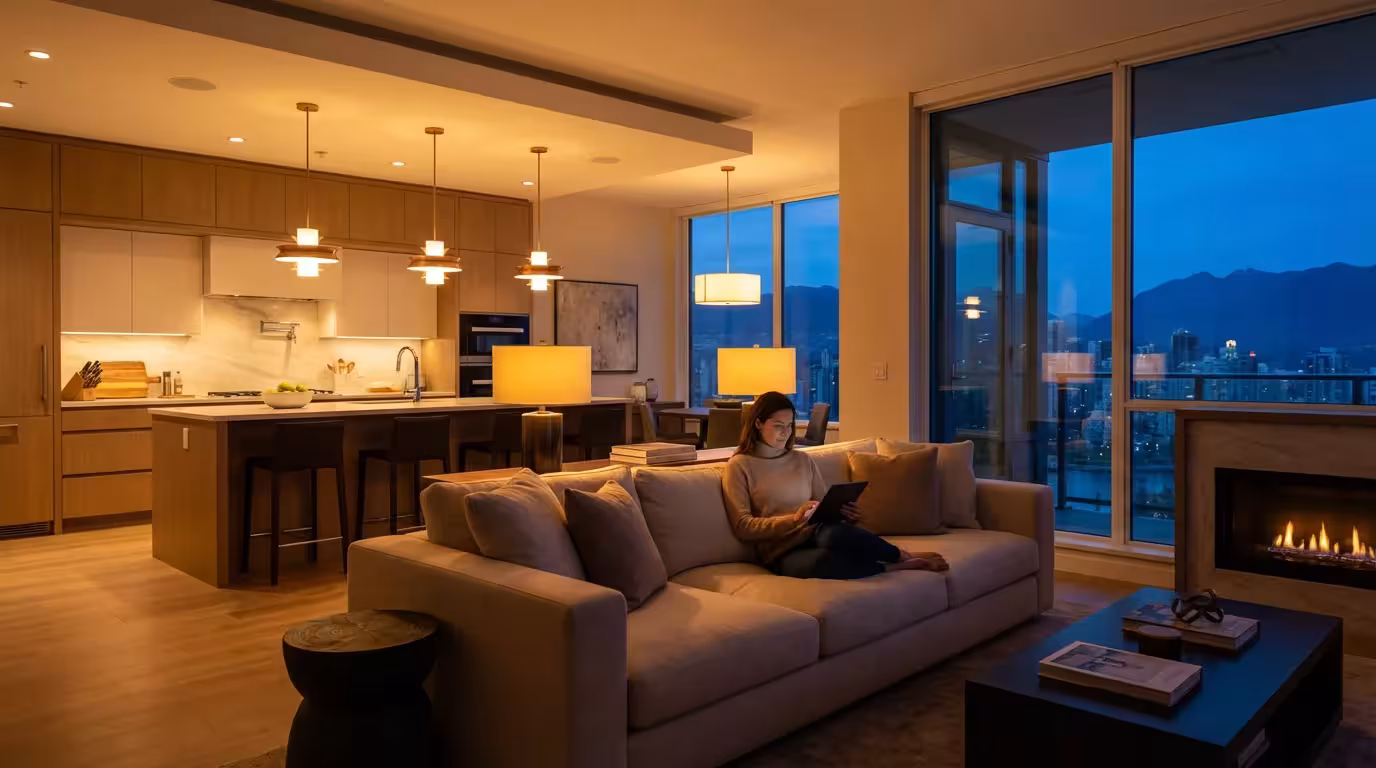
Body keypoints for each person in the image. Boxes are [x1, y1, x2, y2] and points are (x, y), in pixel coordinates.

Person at [721, 391, 949, 580]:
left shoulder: (802, 460)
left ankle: (900, 556)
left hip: (813, 534)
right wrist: (793, 519)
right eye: (778, 425)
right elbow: (743, 526)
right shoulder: (739, 466)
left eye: (789, 425)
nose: (785, 432)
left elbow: (822, 506)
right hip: (778, 551)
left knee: (834, 534)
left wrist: (843, 513)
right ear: (758, 423)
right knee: (821, 563)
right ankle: (893, 567)